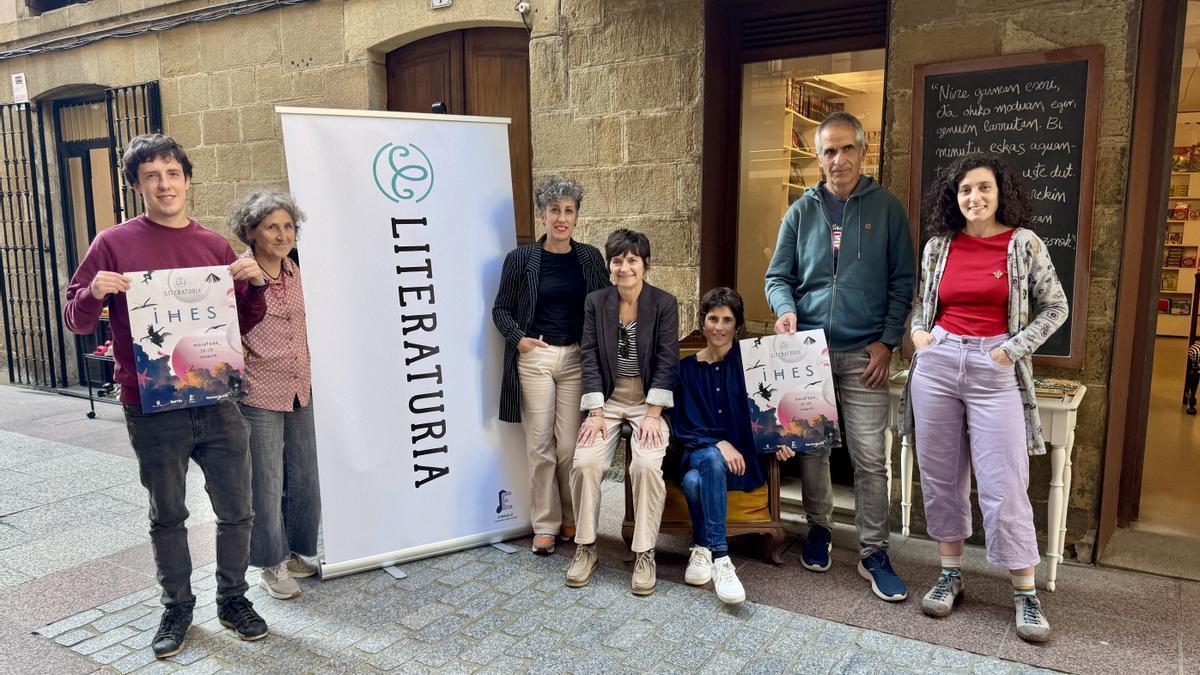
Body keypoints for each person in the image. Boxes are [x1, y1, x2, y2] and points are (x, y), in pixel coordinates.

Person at [62, 135, 270, 658]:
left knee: (238, 510)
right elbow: (76, 319)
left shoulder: (215, 246)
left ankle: (233, 600)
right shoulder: (112, 243)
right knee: (168, 514)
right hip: (151, 405)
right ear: (137, 185)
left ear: (187, 179)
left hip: (216, 398)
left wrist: (254, 286)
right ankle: (176, 607)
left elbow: (241, 323)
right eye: (152, 175)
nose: (164, 184)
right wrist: (94, 293)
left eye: (172, 173)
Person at [901, 152, 1067, 642]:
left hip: (995, 369)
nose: (974, 197)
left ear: (1001, 193)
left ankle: (1025, 593)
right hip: (938, 363)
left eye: (983, 188)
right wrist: (917, 334)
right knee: (940, 474)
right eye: (965, 190)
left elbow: (1055, 307)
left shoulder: (1023, 245)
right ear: (955, 198)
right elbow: (921, 303)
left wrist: (1010, 351)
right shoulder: (938, 246)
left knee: (1005, 480)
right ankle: (950, 573)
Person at [764, 111, 915, 602]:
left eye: (847, 148)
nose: (838, 159)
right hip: (809, 351)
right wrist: (786, 311)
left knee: (871, 458)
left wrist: (887, 340)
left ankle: (874, 552)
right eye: (829, 150)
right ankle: (820, 530)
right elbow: (777, 277)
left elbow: (902, 283)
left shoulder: (887, 209)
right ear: (818, 156)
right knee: (813, 448)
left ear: (863, 152)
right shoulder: (800, 211)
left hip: (863, 354)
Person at [492, 178, 610, 555]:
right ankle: (545, 524)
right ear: (542, 214)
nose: (561, 218)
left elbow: (605, 305)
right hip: (537, 359)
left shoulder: (590, 257)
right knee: (540, 444)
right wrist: (519, 339)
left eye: (569, 210)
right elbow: (501, 310)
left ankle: (572, 516)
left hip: (576, 357)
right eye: (554, 210)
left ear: (576, 217)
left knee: (570, 447)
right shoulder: (521, 259)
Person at [566, 229, 679, 596]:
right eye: (617, 260)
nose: (625, 267)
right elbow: (589, 356)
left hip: (648, 401)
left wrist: (652, 412)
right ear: (610, 265)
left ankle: (645, 552)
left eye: (632, 259)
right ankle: (586, 547)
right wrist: (595, 412)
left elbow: (667, 360)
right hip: (608, 401)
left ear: (645, 263)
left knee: (646, 465)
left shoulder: (663, 303)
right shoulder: (596, 302)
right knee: (585, 462)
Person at [673, 287, 797, 604]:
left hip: (741, 465)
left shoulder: (750, 365)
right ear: (703, 323)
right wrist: (718, 443)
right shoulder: (686, 370)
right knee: (711, 460)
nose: (719, 326)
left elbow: (769, 409)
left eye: (727, 320)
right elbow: (684, 426)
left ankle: (701, 547)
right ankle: (722, 559)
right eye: (713, 318)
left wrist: (780, 440)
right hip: (701, 453)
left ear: (736, 326)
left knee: (692, 481)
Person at [230, 189, 321, 600]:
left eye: (288, 226)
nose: (283, 234)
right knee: (266, 480)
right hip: (259, 388)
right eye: (272, 227)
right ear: (251, 231)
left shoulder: (295, 270)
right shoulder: (239, 275)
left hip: (301, 383)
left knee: (303, 475)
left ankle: (297, 551)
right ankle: (270, 563)